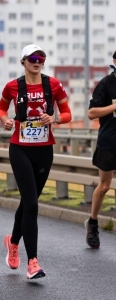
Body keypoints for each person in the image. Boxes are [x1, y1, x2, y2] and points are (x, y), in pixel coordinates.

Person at [0, 44, 72, 279]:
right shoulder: (12, 86)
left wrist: (55, 119)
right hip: (19, 149)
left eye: (41, 57)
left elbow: (68, 113)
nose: (37, 61)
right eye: (32, 58)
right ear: (23, 62)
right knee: (32, 204)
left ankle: (13, 242)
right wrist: (5, 120)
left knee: (29, 202)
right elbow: (0, 109)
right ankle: (33, 263)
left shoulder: (53, 84)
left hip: (44, 150)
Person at [86, 50, 116, 249]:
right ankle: (93, 222)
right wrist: (114, 107)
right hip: (110, 142)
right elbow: (91, 113)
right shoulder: (106, 84)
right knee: (104, 186)